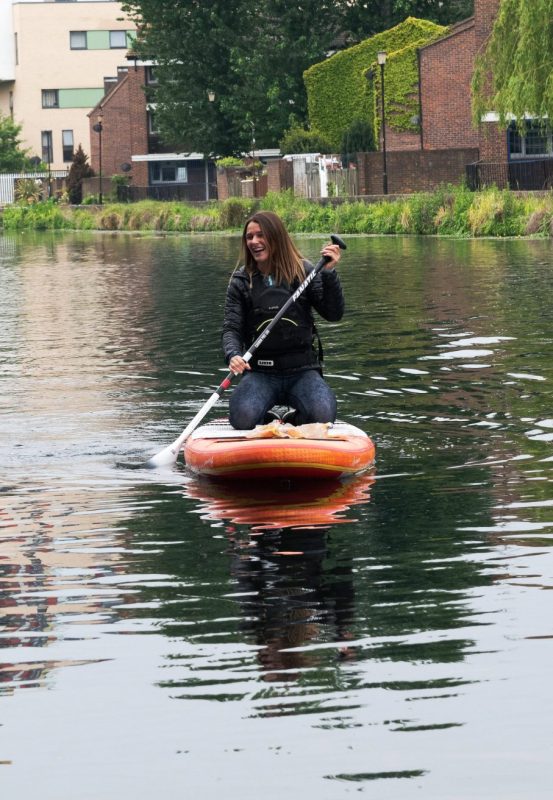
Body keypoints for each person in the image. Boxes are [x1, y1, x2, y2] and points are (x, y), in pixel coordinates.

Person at [222, 210, 344, 430]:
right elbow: (232, 328)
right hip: (260, 373)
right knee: (243, 417)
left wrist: (328, 274)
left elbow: (333, 314)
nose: (254, 241)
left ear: (276, 237)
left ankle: (293, 419)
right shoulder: (241, 281)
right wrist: (233, 354)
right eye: (249, 237)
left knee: (323, 414)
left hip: (302, 371)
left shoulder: (304, 272)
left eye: (261, 235)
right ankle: (268, 419)